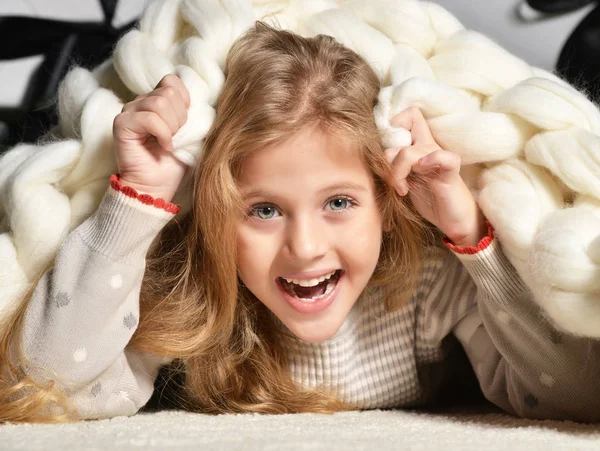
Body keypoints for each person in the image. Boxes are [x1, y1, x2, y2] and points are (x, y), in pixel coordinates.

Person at [1, 22, 600, 424]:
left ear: (387, 203)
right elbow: (52, 390)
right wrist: (135, 201)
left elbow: (572, 395)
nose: (306, 248)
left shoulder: (425, 280)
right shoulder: (202, 283)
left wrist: (472, 239)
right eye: (263, 210)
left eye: (339, 202)